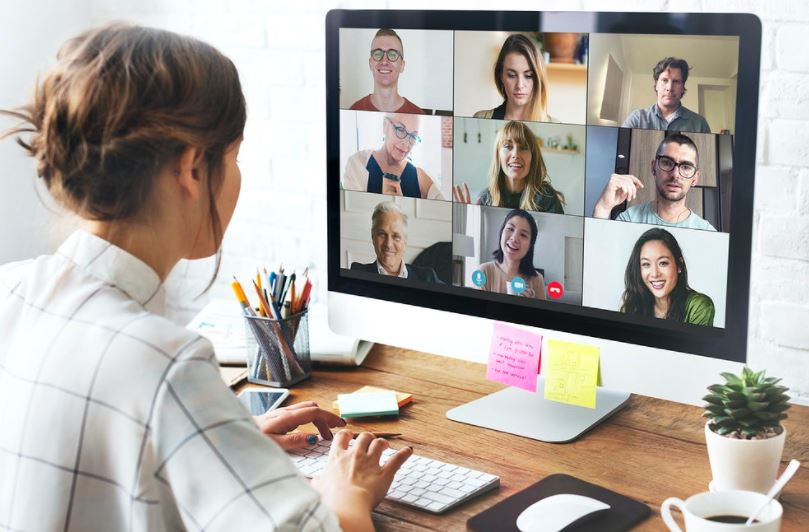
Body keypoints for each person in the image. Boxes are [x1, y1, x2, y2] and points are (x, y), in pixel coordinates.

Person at [0, 24, 411, 532]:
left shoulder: (9, 290)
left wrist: (221, 439)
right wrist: (346, 492)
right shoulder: (165, 364)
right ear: (192, 167)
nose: (237, 175)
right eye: (234, 157)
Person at [592, 132, 716, 231]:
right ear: (653, 167)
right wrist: (602, 208)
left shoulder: (707, 232)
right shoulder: (629, 219)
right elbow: (599, 255)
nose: (675, 175)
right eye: (667, 163)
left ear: (695, 178)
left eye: (686, 167)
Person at [453, 121, 564, 213]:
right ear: (498, 155)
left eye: (524, 147)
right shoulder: (485, 198)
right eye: (508, 146)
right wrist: (467, 222)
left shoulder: (546, 197)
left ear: (533, 157)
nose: (515, 154)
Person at [621, 228, 715, 326]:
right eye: (646, 264)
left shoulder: (698, 306)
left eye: (663, 263)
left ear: (679, 265)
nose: (654, 274)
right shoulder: (632, 307)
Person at [342, 112, 444, 199]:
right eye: (400, 130)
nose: (406, 143)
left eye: (413, 136)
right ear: (385, 126)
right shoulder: (357, 163)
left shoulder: (420, 177)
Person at [350, 201, 442, 283]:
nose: (388, 244)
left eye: (396, 237)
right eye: (382, 234)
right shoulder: (358, 272)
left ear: (405, 242)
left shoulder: (428, 277)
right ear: (373, 237)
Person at [473, 33, 556, 122]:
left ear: (538, 79)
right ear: (501, 76)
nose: (519, 85)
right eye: (511, 75)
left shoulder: (555, 125)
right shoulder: (480, 119)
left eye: (528, 76)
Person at [622, 57, 711, 133]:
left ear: (683, 87)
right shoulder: (636, 119)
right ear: (656, 85)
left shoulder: (700, 124)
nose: (670, 88)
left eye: (676, 81)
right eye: (664, 80)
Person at [349, 28, 424, 114]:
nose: (384, 61)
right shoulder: (354, 111)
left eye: (392, 54)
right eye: (378, 54)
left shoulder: (419, 115)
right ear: (370, 63)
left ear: (402, 65)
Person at [475, 209, 546, 299]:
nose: (514, 238)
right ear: (502, 232)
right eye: (510, 229)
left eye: (523, 235)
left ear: (530, 246)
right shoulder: (483, 271)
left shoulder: (537, 280)